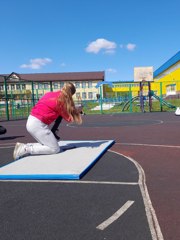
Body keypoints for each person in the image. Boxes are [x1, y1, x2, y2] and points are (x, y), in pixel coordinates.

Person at [13, 82, 83, 160]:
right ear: (70, 94)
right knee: (54, 149)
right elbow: (69, 119)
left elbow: (52, 106)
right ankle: (25, 149)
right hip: (37, 124)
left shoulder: (50, 94)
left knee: (46, 144)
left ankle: (25, 146)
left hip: (31, 120)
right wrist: (77, 111)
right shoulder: (61, 101)